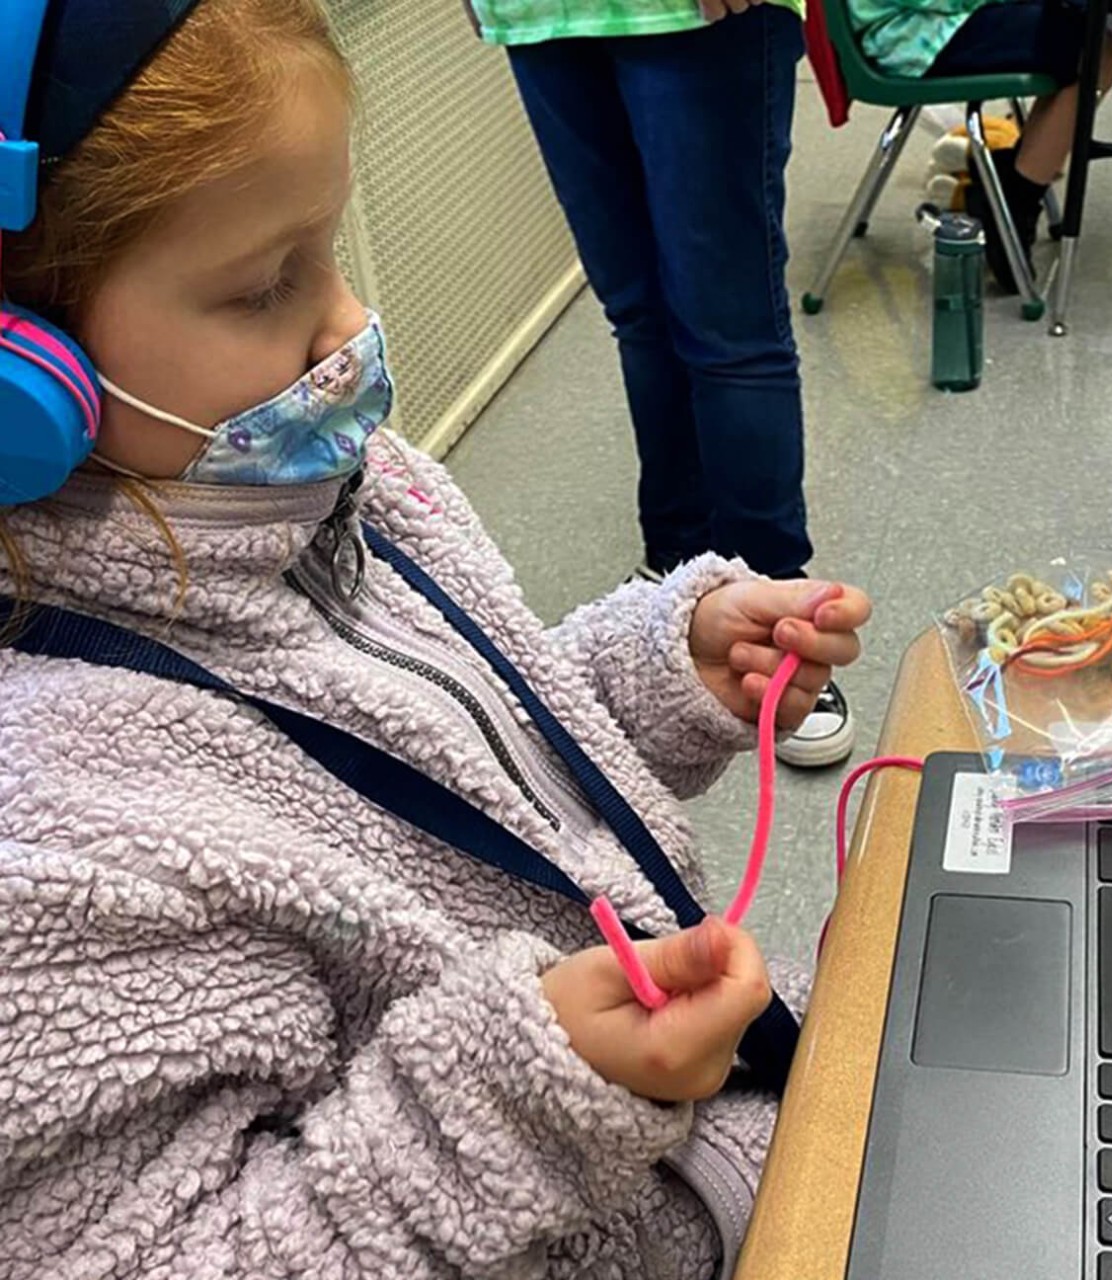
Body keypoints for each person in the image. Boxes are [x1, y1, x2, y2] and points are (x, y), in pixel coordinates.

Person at [0, 2, 872, 1276]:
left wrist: (652, 673)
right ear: (23, 375)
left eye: (327, 247)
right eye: (266, 284)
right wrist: (523, 1101)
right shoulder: (48, 837)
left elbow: (434, 759)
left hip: (731, 1129)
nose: (348, 324)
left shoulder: (342, 492)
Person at [466, 0, 858, 769]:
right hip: (540, 14)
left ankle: (778, 610)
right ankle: (674, 570)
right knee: (639, 317)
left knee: (730, 333)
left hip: (695, 17)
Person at [850, 0, 1112, 292]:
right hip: (915, 39)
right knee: (1092, 45)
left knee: (1092, 36)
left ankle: (1014, 192)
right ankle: (1013, 201)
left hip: (919, 27)